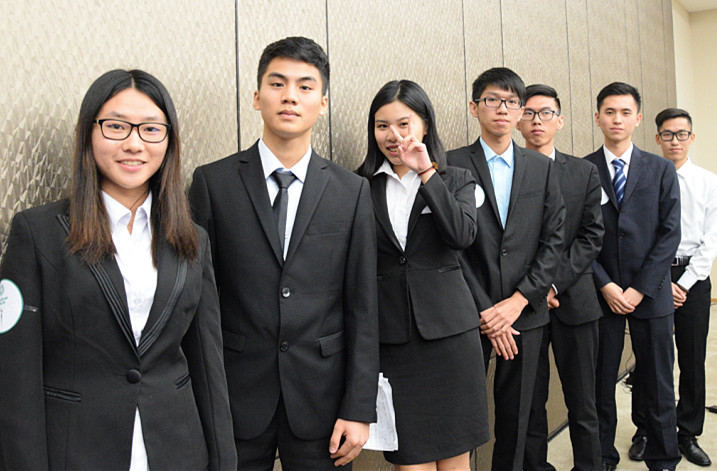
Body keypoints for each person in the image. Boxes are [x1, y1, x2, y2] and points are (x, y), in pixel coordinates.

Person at [0, 69, 236, 470]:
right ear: (88, 133)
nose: (134, 143)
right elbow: (15, 376)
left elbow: (208, 366)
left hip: (177, 452)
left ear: (169, 140)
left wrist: (224, 461)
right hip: (76, 453)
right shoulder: (37, 234)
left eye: (151, 129)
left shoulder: (191, 239)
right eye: (116, 126)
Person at [188, 36, 379, 470]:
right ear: (257, 97)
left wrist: (359, 407)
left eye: (305, 86)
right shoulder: (213, 183)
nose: (290, 96)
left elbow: (363, 306)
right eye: (277, 84)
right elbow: (199, 301)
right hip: (235, 397)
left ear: (323, 103)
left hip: (322, 399)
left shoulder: (351, 192)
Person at [357, 80, 489, 470]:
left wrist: (426, 172)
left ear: (425, 125)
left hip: (451, 338)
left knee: (455, 458)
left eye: (404, 124)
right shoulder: (359, 185)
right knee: (409, 461)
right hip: (393, 341)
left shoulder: (456, 179)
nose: (393, 135)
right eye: (382, 126)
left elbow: (461, 235)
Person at [447, 67, 565, 471]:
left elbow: (553, 242)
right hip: (468, 314)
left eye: (512, 102)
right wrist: (486, 309)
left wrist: (518, 301)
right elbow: (448, 248)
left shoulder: (541, 167)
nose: (502, 109)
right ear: (474, 107)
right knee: (461, 416)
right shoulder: (451, 165)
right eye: (492, 100)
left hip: (525, 315)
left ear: (520, 111)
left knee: (518, 419)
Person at [585, 82, 681, 471]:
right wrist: (606, 284)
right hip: (600, 294)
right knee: (599, 384)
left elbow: (670, 234)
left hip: (651, 294)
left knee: (658, 384)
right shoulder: (583, 169)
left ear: (638, 119)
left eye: (625, 112)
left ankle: (663, 459)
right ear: (597, 118)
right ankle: (602, 458)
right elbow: (577, 236)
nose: (617, 119)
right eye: (609, 112)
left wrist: (639, 289)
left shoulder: (661, 169)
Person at [518, 84, 604, 471]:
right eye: (529, 112)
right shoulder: (508, 170)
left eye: (546, 113)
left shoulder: (584, 172)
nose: (537, 121)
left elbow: (591, 236)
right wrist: (533, 290)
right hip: (524, 306)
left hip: (575, 303)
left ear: (560, 120)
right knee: (530, 405)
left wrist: (551, 284)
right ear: (518, 119)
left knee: (583, 403)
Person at [629, 108, 717, 467]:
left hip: (692, 279)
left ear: (691, 138)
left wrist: (683, 283)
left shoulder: (708, 181)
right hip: (652, 275)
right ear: (657, 138)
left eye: (682, 134)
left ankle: (687, 432)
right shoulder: (645, 177)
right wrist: (660, 279)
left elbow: (710, 240)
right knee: (649, 358)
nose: (675, 141)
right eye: (667, 134)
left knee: (692, 359)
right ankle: (645, 430)